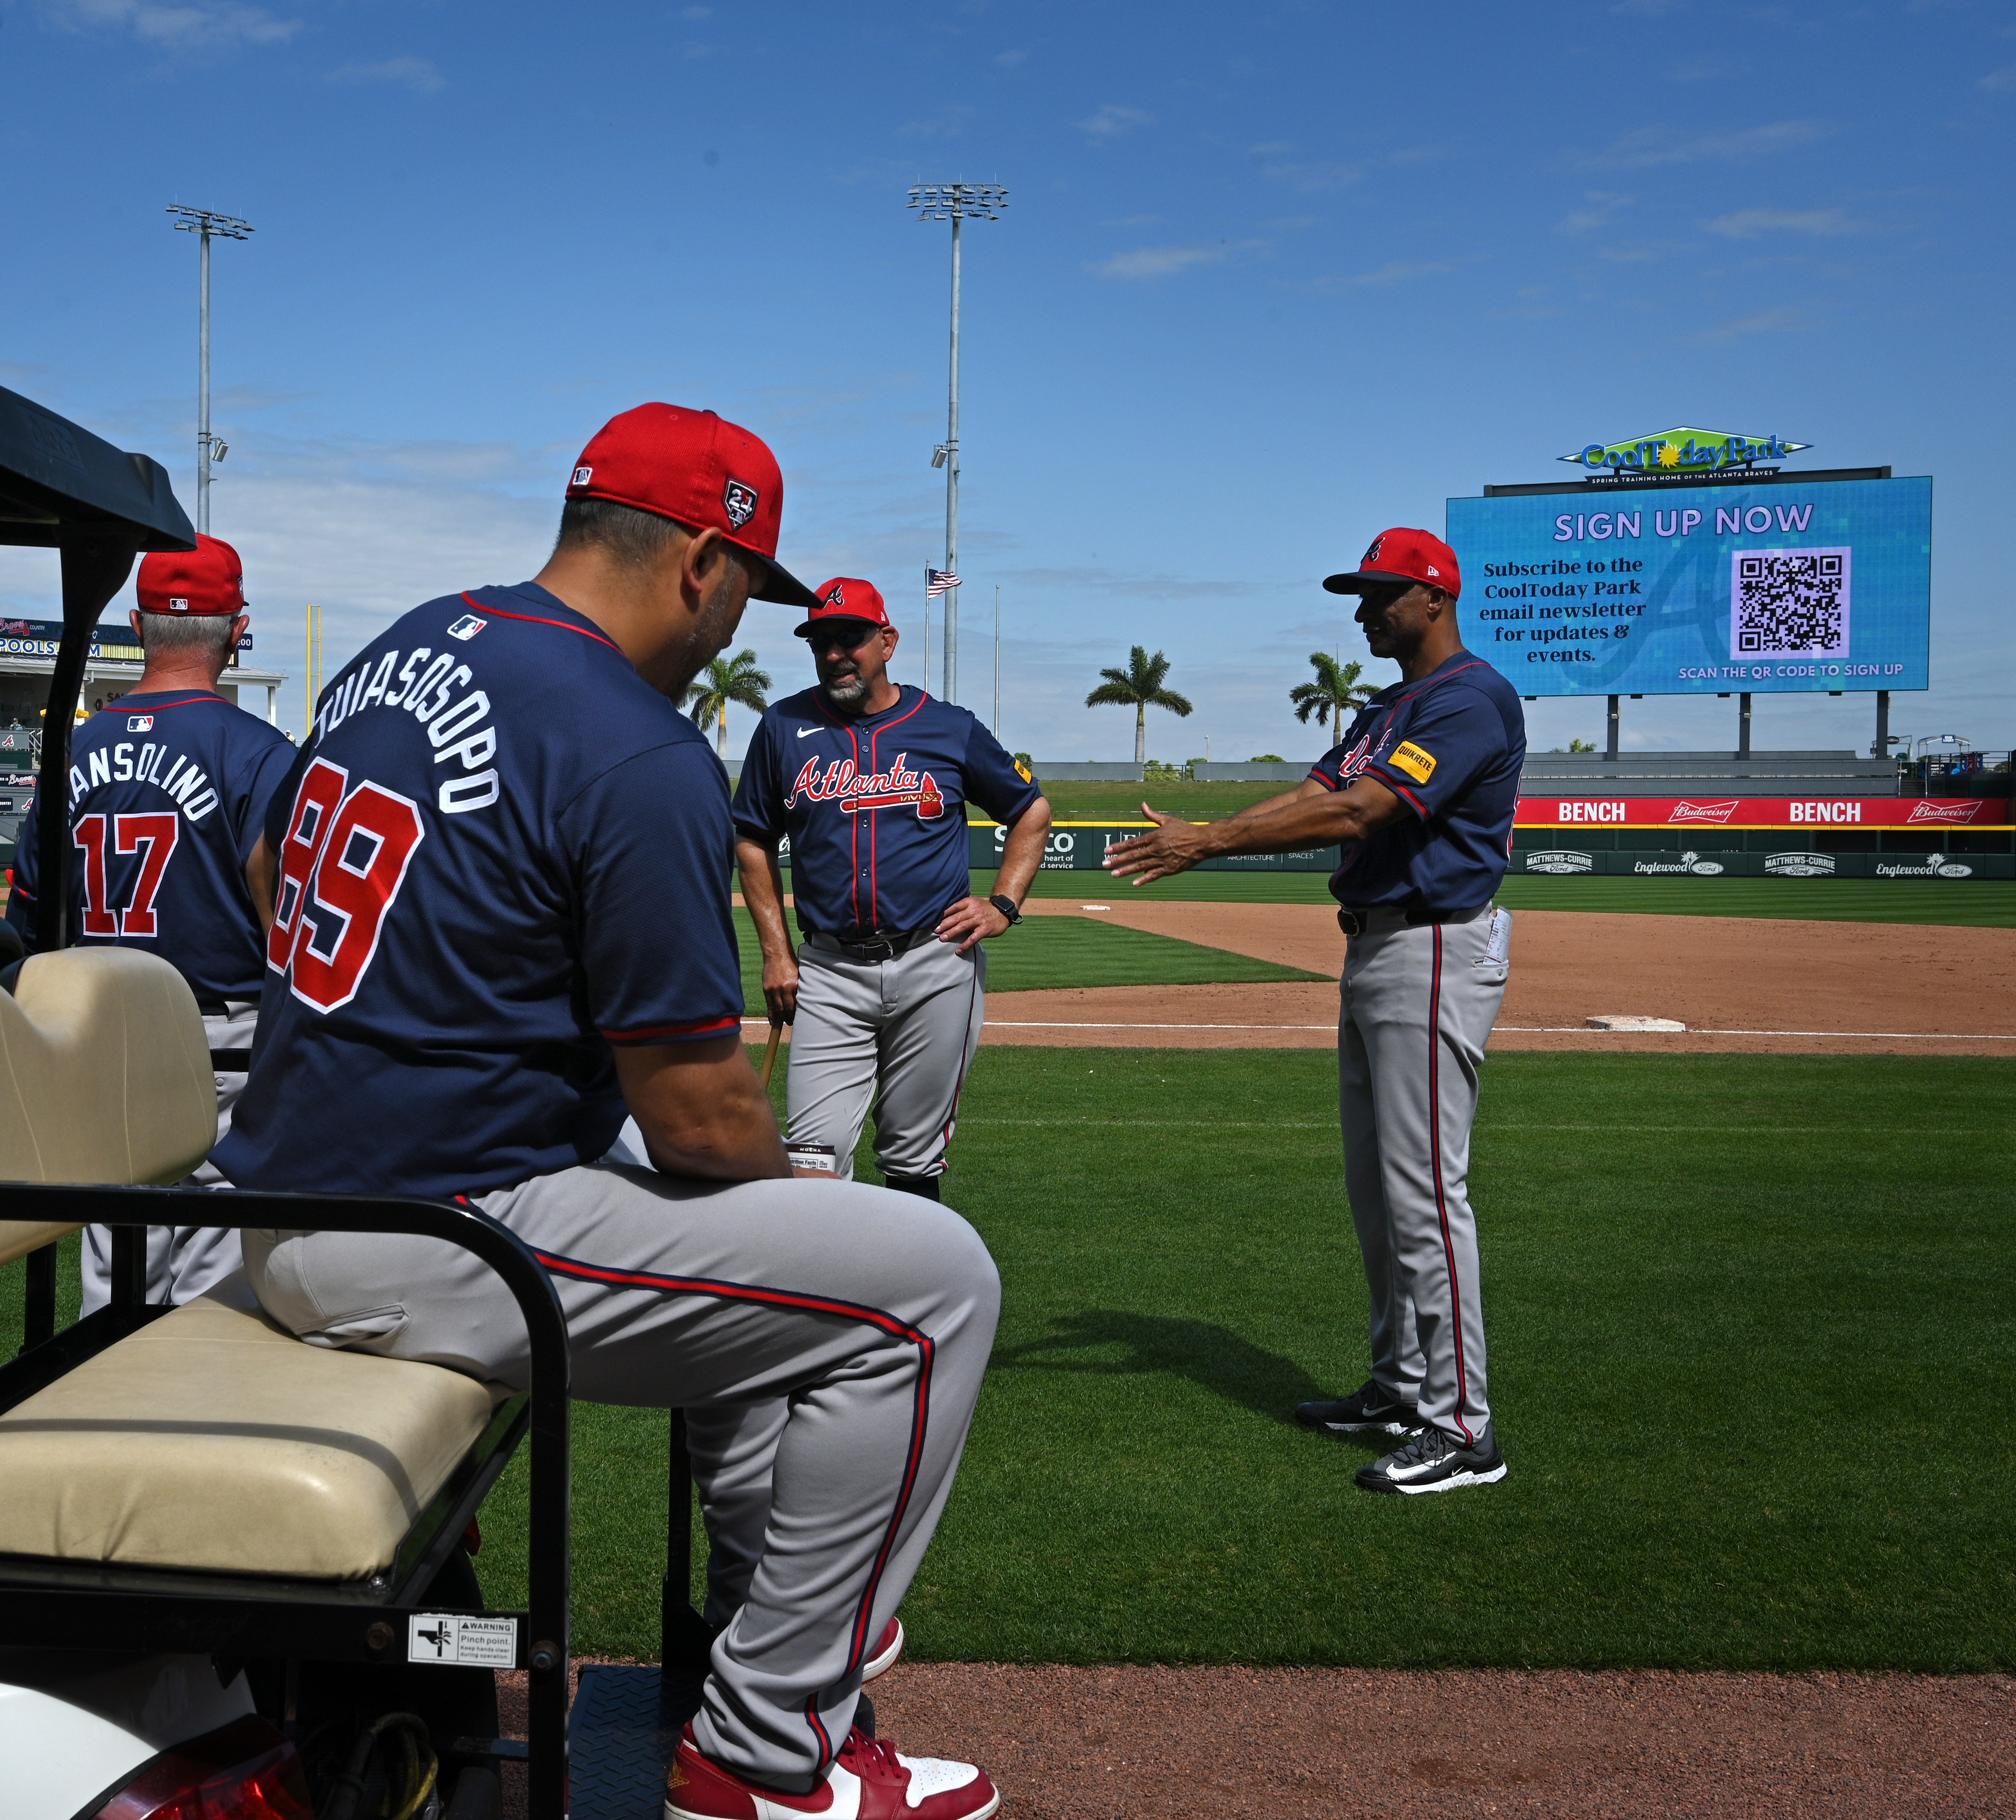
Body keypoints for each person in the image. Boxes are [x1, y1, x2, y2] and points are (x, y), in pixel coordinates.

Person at [217, 404, 1004, 1820]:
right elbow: (703, 1116)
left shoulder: (407, 637)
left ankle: (767, 1635)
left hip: (277, 1189)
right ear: (701, 561)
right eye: (745, 593)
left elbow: (276, 865)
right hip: (428, 1228)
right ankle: (766, 1751)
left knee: (766, 1260)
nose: (739, 629)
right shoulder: (639, 748)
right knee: (927, 1282)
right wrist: (800, 1200)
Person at [1103, 527, 1524, 1496]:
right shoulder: (1389, 706)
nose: (1362, 611)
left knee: (1423, 1192)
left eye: (1378, 594)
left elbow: (1359, 813)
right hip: (1378, 944)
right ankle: (1397, 1384)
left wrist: (1209, 840)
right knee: (1377, 1192)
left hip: (1430, 943)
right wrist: (1217, 831)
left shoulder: (1469, 698)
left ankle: (1463, 1427)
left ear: (1431, 598)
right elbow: (1317, 790)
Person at [6, 532, 298, 1315]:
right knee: (213, 1295)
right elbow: (289, 933)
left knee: (113, 1281)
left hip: (98, 1043)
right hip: (221, 1052)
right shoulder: (263, 757)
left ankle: (97, 1430)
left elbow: (30, 929)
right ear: (238, 632)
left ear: (137, 627)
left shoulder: (66, 756)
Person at [731, 578, 1052, 1197]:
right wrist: (776, 954)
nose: (833, 654)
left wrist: (1004, 904)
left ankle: (903, 1293)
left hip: (935, 959)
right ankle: (820, 1292)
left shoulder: (947, 728)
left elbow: (1029, 812)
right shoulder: (783, 726)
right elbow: (751, 838)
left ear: (886, 642)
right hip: (828, 967)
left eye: (848, 637)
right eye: (820, 642)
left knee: (911, 1160)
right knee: (811, 1161)